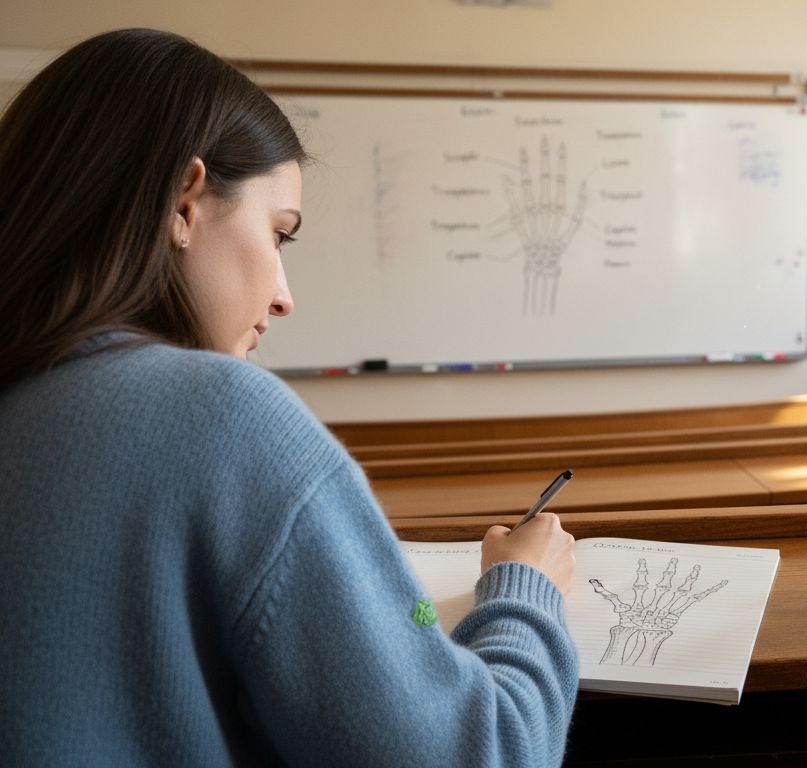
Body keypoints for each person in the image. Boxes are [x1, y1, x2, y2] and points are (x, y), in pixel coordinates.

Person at [0, 28, 579, 766]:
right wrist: (522, 592)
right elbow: (477, 752)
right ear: (185, 201)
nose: (283, 298)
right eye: (279, 234)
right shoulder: (221, 416)